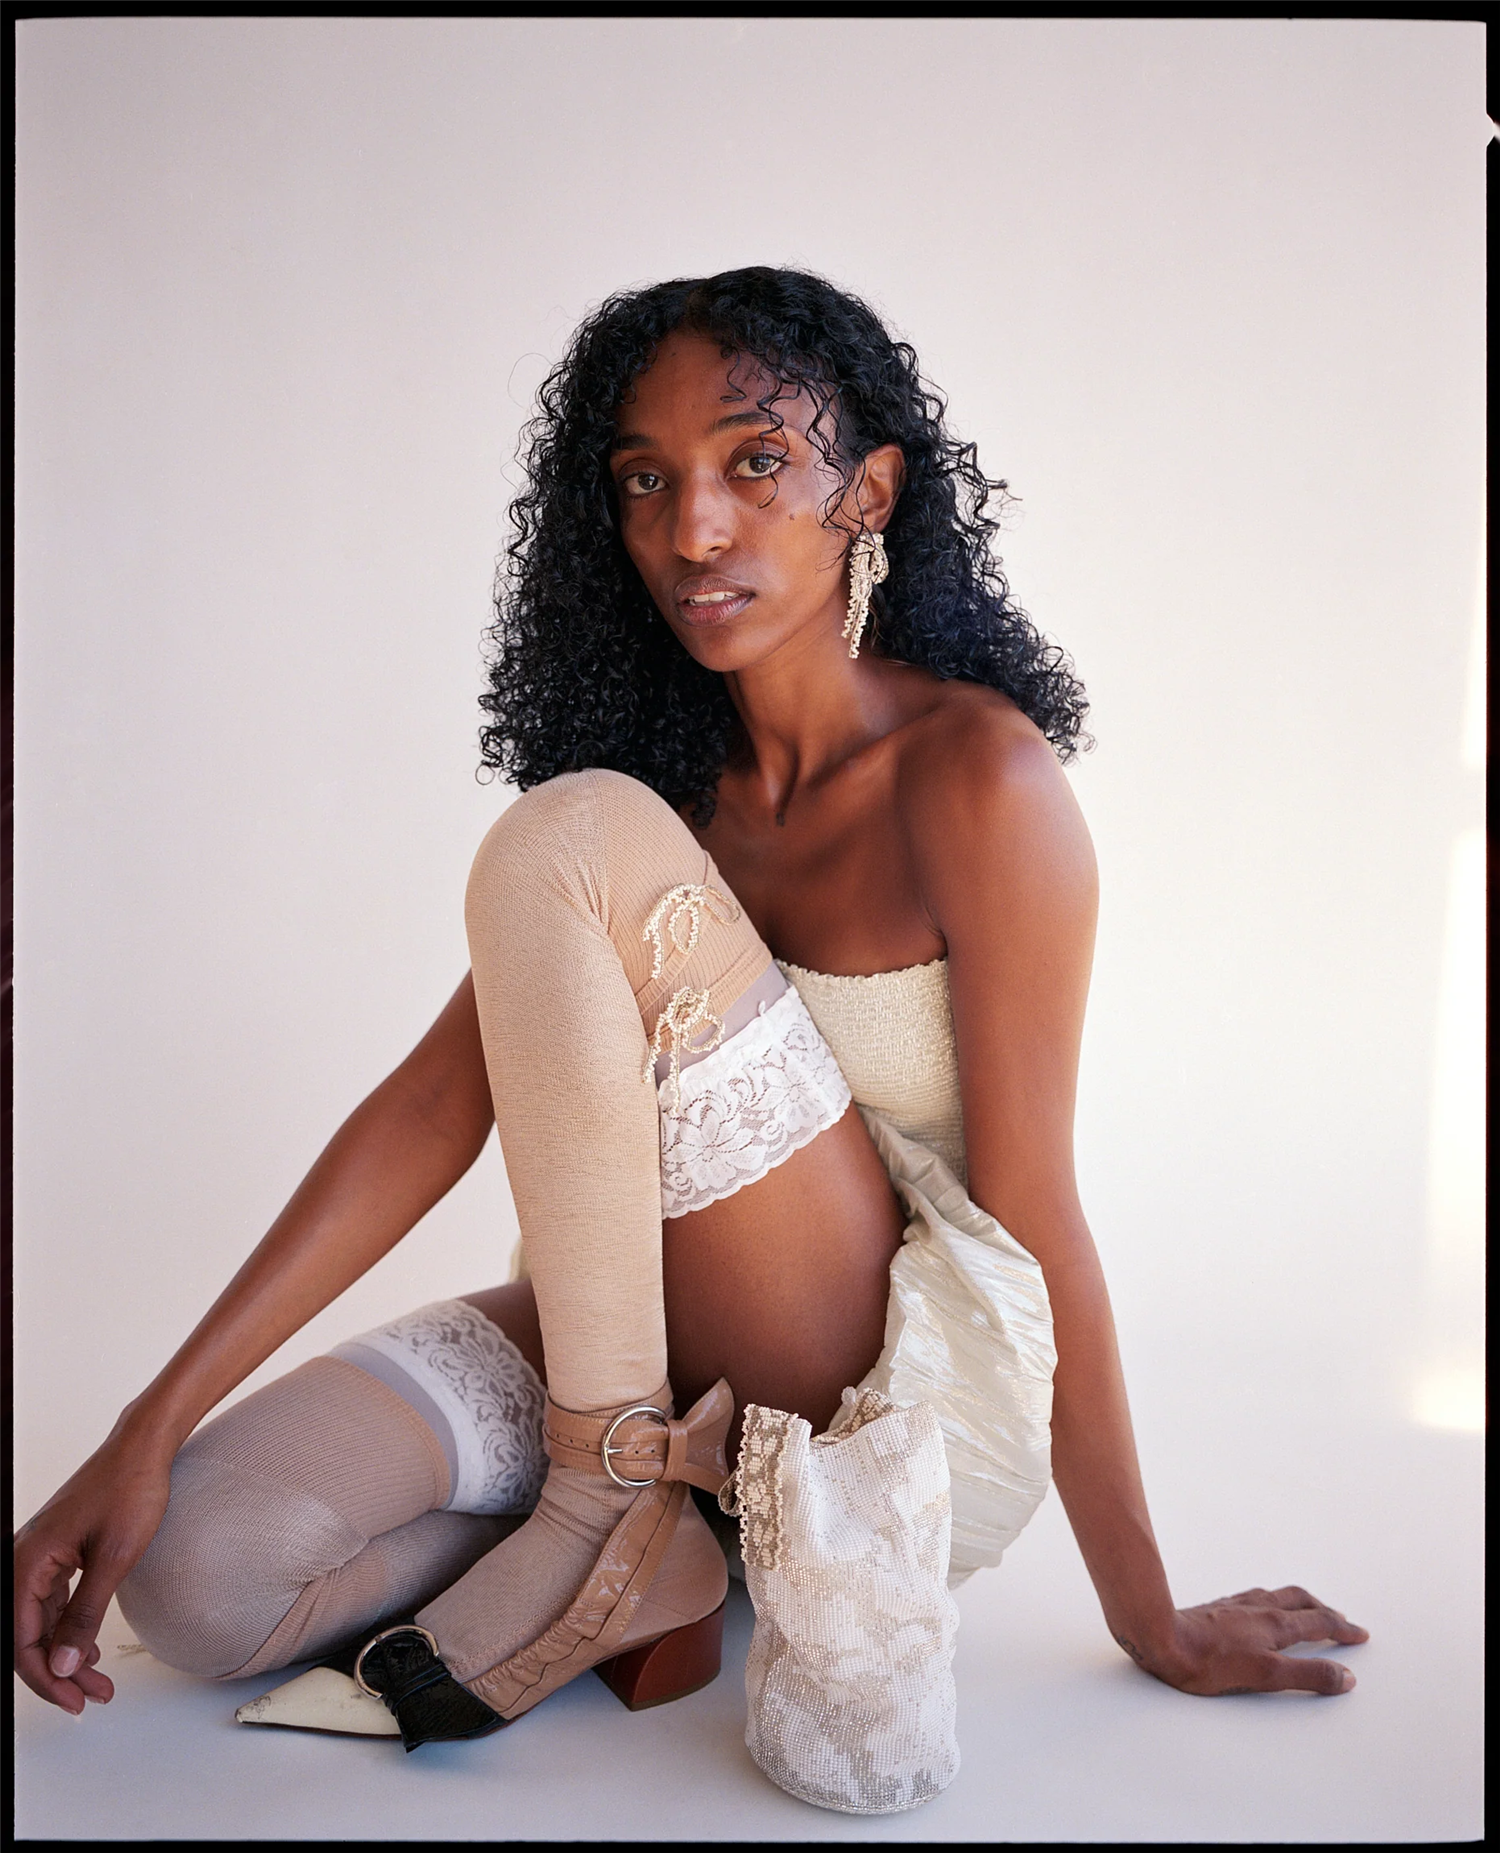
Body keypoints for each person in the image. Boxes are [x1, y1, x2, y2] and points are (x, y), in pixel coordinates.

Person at [15, 267, 1367, 1750]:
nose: (692, 530)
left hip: (883, 1406)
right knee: (202, 1581)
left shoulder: (976, 783)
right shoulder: (667, 802)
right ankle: (650, 1529)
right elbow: (431, 1108)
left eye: (755, 461)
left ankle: (602, 1497)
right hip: (654, 1353)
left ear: (869, 493)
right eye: (645, 479)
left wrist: (1148, 1614)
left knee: (569, 827)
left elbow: (1040, 1210)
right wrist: (144, 1428)